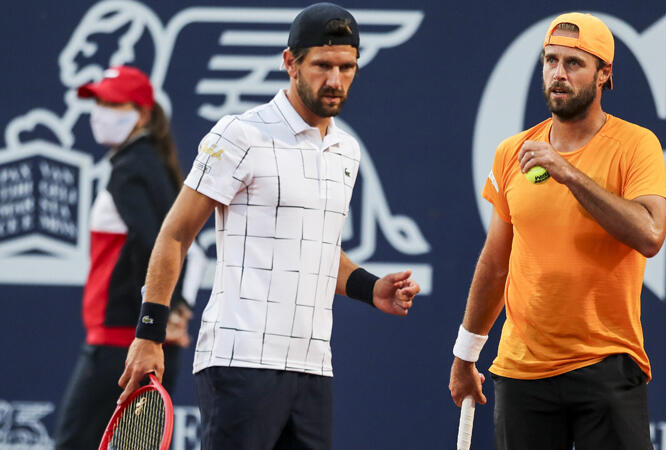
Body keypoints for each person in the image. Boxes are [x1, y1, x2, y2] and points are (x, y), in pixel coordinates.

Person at [117, 3, 421, 449]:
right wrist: (149, 333)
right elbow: (175, 234)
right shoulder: (240, 135)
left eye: (346, 67)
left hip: (313, 368)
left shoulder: (346, 152)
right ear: (290, 63)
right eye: (321, 66)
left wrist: (369, 288)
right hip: (239, 364)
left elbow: (316, 250)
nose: (335, 80)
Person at [449, 12, 666, 450]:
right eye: (550, 61)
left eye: (574, 63)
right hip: (521, 373)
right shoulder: (513, 151)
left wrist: (569, 173)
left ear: (604, 74)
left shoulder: (636, 145)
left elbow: (650, 234)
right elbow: (496, 264)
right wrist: (465, 353)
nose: (558, 74)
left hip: (607, 365)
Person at [53, 65, 193, 449]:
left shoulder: (132, 169)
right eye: (97, 102)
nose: (100, 112)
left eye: (112, 104)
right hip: (138, 341)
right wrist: (173, 311)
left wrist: (157, 320)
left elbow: (155, 248)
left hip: (122, 344)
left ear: (143, 114)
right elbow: (176, 246)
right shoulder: (151, 163)